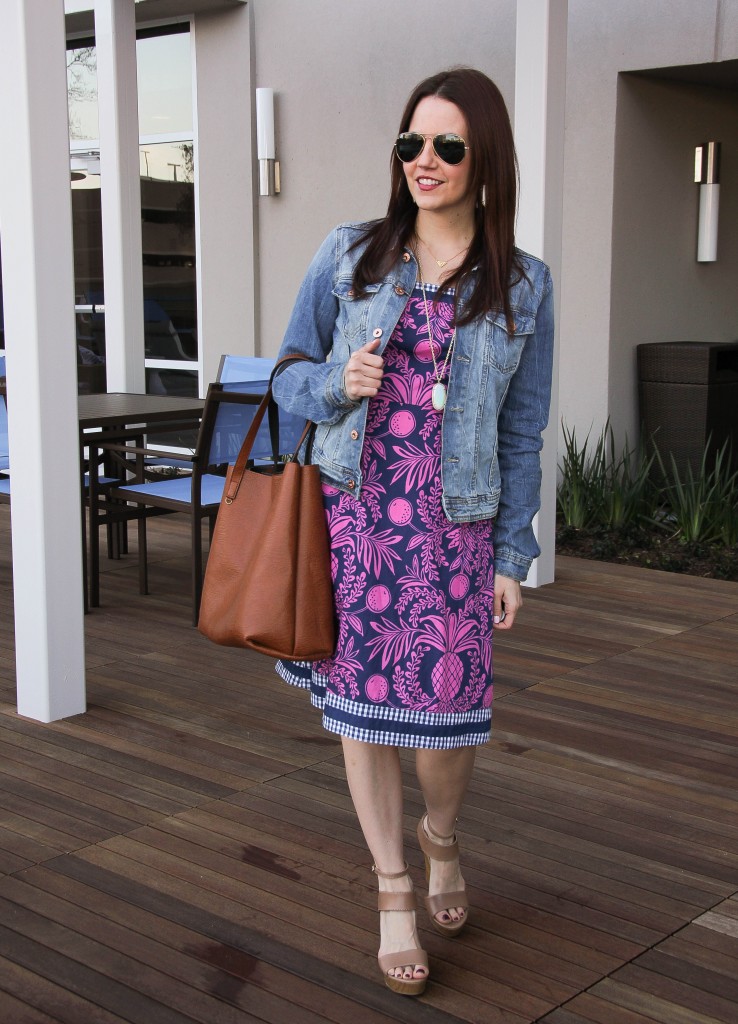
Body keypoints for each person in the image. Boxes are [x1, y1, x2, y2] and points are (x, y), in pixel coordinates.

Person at [272, 67, 554, 997]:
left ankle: (440, 835)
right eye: (410, 145)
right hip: (354, 519)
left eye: (446, 146)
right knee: (361, 716)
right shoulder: (351, 253)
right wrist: (330, 386)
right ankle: (393, 885)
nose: (423, 162)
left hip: (457, 531)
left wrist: (515, 555)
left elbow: (521, 431)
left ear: (485, 161)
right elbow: (284, 373)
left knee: (444, 734)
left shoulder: (523, 284)